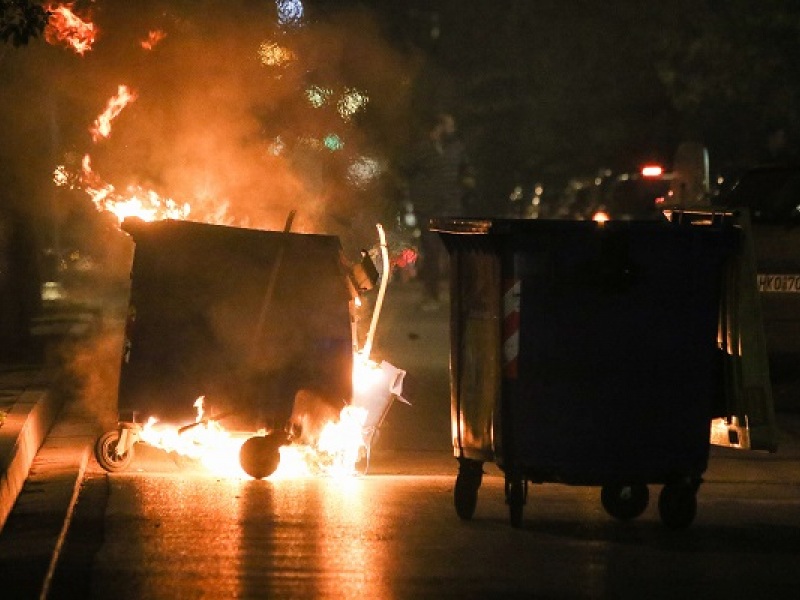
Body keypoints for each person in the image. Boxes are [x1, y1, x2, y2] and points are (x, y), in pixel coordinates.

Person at [406, 112, 470, 311]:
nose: (452, 130)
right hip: (428, 210)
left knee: (454, 253)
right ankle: (431, 295)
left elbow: (466, 171)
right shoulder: (422, 149)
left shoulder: (457, 149)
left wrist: (464, 187)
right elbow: (406, 170)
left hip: (451, 208)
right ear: (439, 127)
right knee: (432, 251)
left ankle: (458, 296)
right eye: (449, 126)